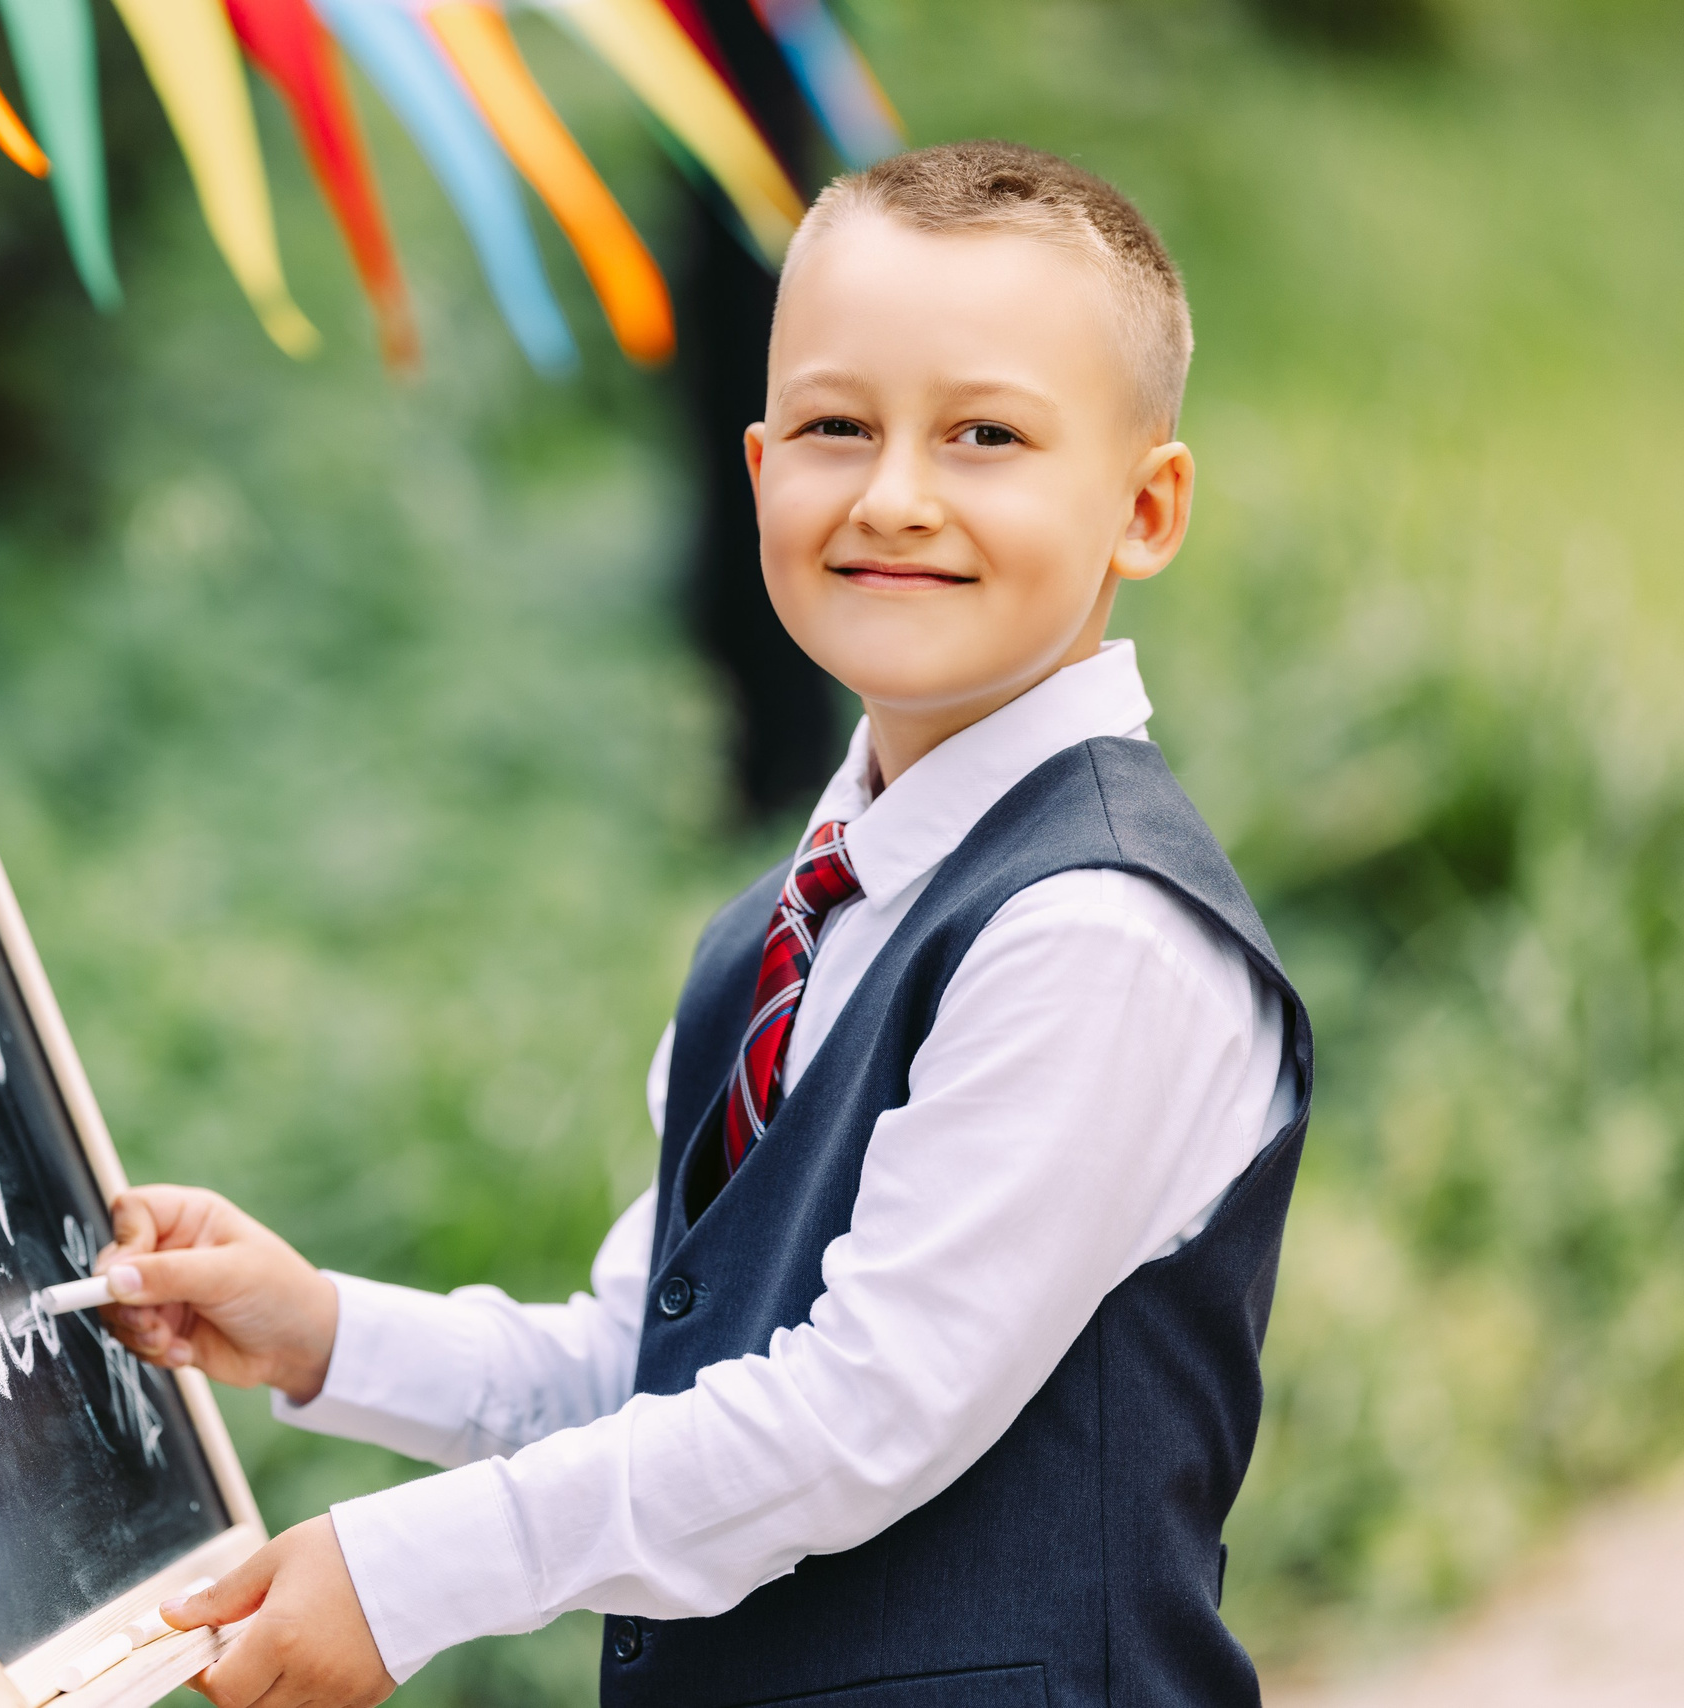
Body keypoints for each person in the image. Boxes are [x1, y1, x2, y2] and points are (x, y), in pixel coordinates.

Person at [98, 139, 1310, 1708]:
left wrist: (407, 1576)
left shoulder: (1096, 934)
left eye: (987, 435)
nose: (893, 495)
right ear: (757, 471)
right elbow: (650, 1373)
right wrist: (323, 1333)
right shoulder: (784, 932)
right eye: (834, 427)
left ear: (1144, 507)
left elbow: (851, 1418)